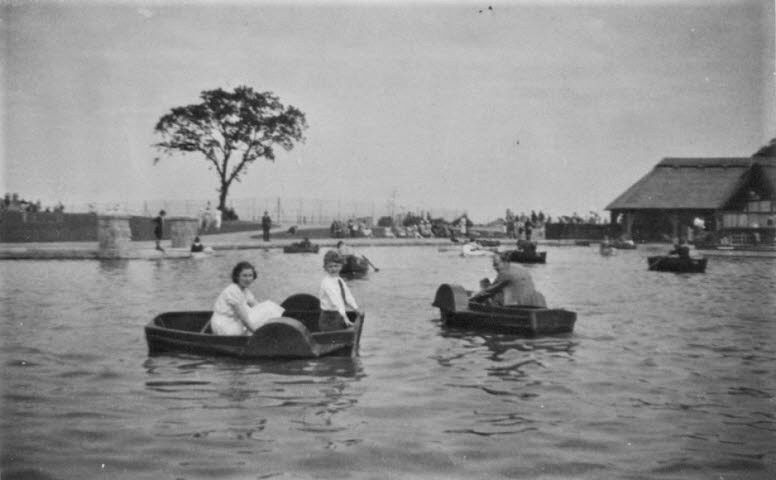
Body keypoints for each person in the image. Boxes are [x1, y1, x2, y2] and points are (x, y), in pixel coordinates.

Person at [471, 254, 547, 307]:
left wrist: (472, 299)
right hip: (532, 304)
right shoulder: (520, 268)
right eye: (493, 265)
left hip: (517, 306)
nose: (494, 267)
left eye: (496, 264)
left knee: (490, 296)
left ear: (505, 262)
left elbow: (489, 291)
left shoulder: (505, 273)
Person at [210, 261, 260, 335]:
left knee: (263, 311)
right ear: (237, 277)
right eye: (244, 276)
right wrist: (259, 334)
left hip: (233, 321)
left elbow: (258, 307)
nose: (248, 279)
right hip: (224, 325)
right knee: (253, 322)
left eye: (250, 275)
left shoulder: (245, 290)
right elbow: (245, 320)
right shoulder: (233, 290)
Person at [318, 250, 361, 331]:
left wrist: (356, 309)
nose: (333, 269)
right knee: (336, 338)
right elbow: (336, 300)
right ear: (325, 268)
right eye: (330, 266)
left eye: (336, 266)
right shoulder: (327, 282)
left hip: (338, 314)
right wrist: (345, 317)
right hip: (328, 318)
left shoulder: (339, 280)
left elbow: (348, 296)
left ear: (341, 266)